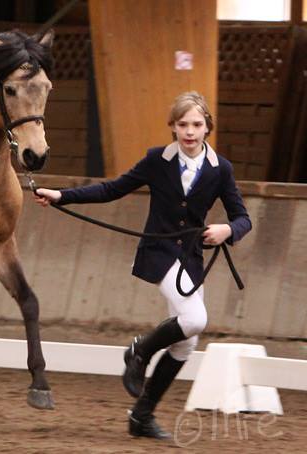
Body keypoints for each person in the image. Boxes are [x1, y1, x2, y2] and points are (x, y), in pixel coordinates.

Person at [34, 91, 251, 440]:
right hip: (159, 252)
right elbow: (112, 189)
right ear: (173, 127)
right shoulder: (157, 160)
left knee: (186, 343)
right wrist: (62, 195)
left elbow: (243, 218)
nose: (190, 132)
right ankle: (140, 350)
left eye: (196, 124)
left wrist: (228, 229)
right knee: (196, 320)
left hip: (191, 259)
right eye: (183, 125)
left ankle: (141, 416)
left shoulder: (220, 169)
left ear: (207, 127)